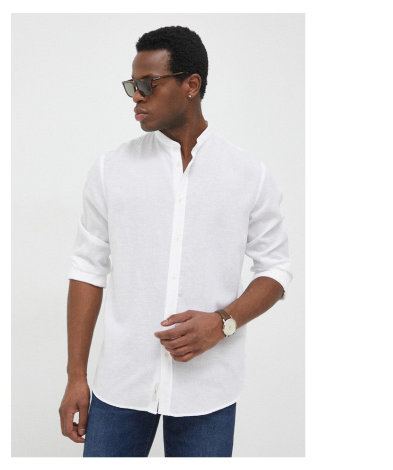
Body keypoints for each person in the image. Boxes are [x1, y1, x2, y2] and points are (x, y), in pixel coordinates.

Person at [59, 25, 293, 457]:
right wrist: (77, 375)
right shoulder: (111, 170)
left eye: (148, 84)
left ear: (191, 85)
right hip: (121, 385)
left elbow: (276, 270)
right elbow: (87, 269)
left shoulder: (249, 175)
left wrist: (223, 323)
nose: (136, 96)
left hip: (208, 389)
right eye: (132, 85)